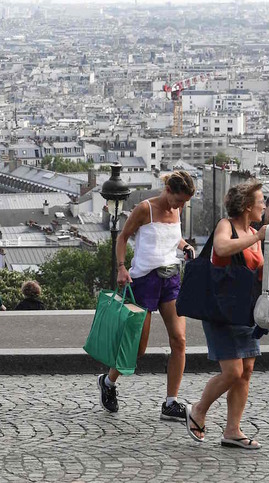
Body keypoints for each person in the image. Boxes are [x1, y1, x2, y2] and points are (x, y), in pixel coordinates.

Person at [185, 181, 269, 450]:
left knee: (246, 371)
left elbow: (255, 276)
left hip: (243, 310)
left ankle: (232, 430)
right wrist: (257, 238)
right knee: (232, 372)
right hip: (221, 310)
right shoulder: (226, 226)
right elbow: (220, 249)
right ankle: (198, 409)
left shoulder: (253, 231)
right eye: (261, 201)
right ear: (247, 206)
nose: (264, 205)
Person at [98, 170, 196, 419]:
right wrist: (121, 268)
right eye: (179, 200)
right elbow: (123, 238)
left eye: (184, 202)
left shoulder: (178, 209)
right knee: (137, 349)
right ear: (169, 191)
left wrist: (185, 247)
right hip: (144, 281)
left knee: (180, 340)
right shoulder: (145, 209)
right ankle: (108, 382)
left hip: (171, 278)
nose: (181, 205)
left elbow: (175, 238)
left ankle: (170, 402)